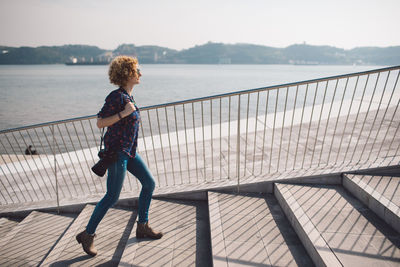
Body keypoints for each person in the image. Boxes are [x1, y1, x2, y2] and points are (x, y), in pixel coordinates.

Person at [76, 56, 163, 257]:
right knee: (112, 197)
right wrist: (123, 114)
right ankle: (88, 234)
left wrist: (127, 112)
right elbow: (100, 122)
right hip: (117, 154)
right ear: (127, 73)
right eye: (137, 69)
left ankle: (142, 226)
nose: (140, 73)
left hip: (129, 152)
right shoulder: (116, 97)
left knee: (149, 183)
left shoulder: (128, 97)